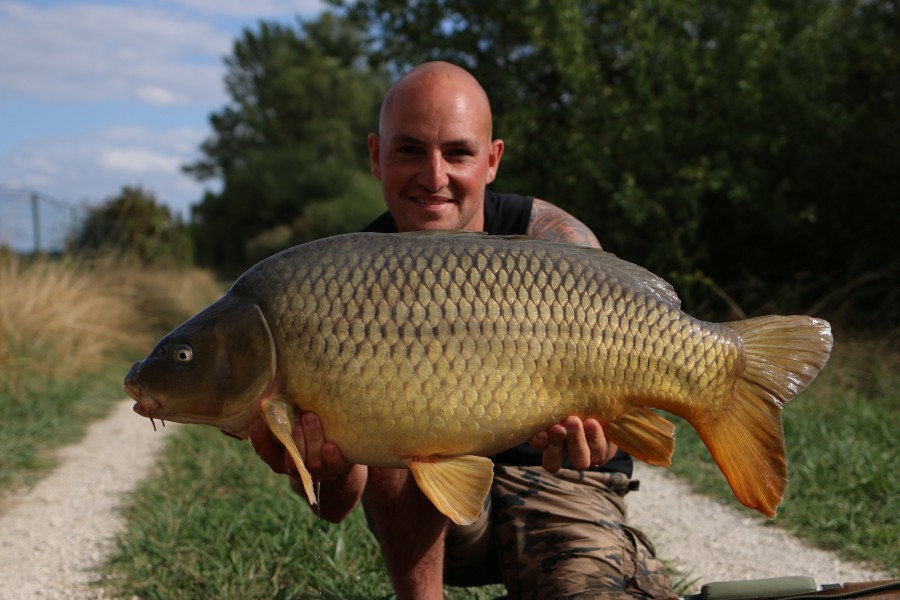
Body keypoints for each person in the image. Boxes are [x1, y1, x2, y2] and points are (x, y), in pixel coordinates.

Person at [247, 61, 675, 599]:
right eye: (409, 150)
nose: (433, 176)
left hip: (558, 485)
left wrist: (602, 431)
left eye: (457, 152)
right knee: (397, 417)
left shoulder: (555, 241)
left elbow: (612, 433)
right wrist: (323, 469)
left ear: (491, 160)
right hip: (437, 522)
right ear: (377, 156)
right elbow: (335, 508)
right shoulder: (346, 278)